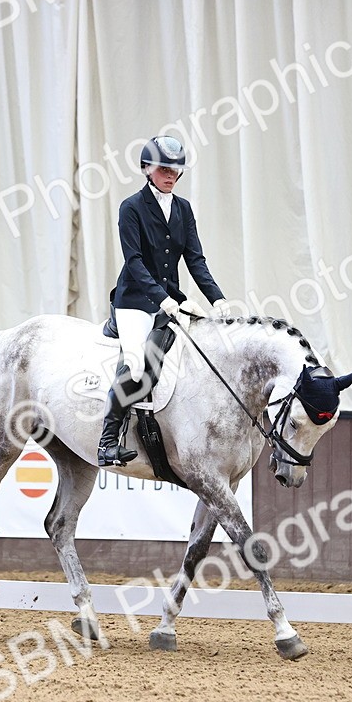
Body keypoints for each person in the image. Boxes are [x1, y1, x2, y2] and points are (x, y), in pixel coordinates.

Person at [97, 135, 230, 467]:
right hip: (134, 302)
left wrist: (218, 298)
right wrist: (162, 298)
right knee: (137, 364)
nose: (171, 175)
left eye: (176, 170)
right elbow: (134, 261)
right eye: (164, 169)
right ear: (147, 169)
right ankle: (108, 441)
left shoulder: (183, 209)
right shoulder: (131, 208)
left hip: (170, 302)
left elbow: (195, 260)